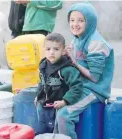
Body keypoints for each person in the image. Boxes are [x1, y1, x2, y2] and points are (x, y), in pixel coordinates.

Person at [56, 2, 114, 139]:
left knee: (63, 115)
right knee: (52, 99)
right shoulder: (77, 39)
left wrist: (74, 62)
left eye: (81, 20)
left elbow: (94, 78)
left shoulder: (96, 44)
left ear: (90, 22)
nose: (75, 24)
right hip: (79, 85)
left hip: (94, 90)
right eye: (72, 20)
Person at [34, 33, 83, 134]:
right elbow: (42, 82)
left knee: (57, 132)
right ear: (44, 49)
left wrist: (65, 101)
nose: (51, 52)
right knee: (43, 131)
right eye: (48, 49)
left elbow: (77, 87)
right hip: (44, 104)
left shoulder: (67, 69)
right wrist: (38, 96)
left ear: (63, 50)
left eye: (56, 49)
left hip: (59, 105)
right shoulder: (43, 65)